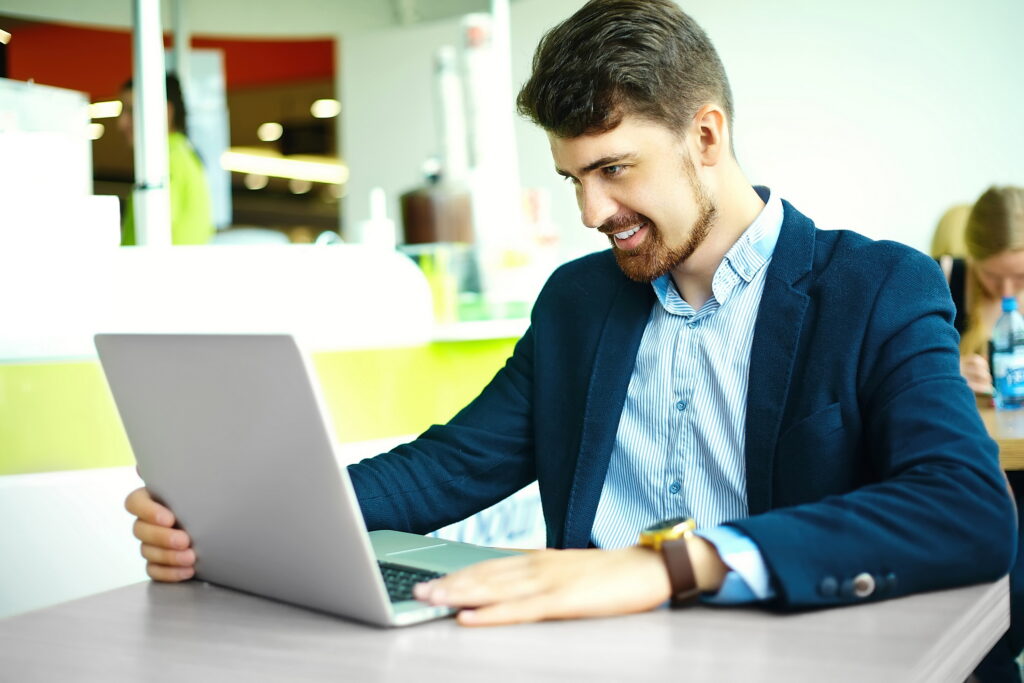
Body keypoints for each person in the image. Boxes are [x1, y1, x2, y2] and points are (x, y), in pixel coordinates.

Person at [125, 0, 1015, 630]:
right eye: (573, 179)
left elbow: (968, 509)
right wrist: (236, 515)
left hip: (771, 647)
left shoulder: (876, 287)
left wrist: (663, 566)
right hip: (575, 653)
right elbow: (448, 466)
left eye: (615, 169)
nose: (590, 214)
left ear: (705, 137)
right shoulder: (580, 303)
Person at [945, 186, 1024, 683]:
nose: (1009, 288)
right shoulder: (941, 280)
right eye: (996, 275)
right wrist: (946, 370)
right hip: (973, 461)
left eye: (1022, 273)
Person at [117, 73, 215, 246]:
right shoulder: (180, 152)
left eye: (131, 111)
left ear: (165, 112)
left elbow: (155, 228)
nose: (121, 123)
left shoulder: (165, 158)